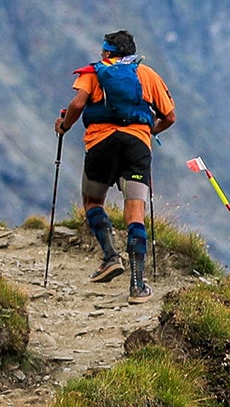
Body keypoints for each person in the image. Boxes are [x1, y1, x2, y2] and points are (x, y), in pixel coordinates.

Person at [55, 28, 176, 302]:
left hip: (101, 144)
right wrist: (149, 131)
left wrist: (64, 126)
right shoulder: (147, 75)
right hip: (136, 145)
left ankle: (110, 256)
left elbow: (77, 103)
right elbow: (170, 116)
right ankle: (137, 285)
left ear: (108, 52)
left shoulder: (93, 72)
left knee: (92, 202)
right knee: (135, 211)